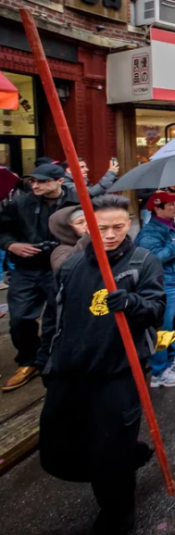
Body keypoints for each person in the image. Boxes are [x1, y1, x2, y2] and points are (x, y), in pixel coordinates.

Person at [37, 194, 165, 535]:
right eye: (101, 227)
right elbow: (54, 318)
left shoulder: (143, 262)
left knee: (109, 460)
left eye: (118, 227)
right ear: (88, 226)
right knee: (56, 452)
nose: (109, 234)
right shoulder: (72, 264)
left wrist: (133, 303)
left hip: (118, 375)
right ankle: (128, 457)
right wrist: (47, 361)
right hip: (70, 372)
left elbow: (157, 309)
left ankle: (115, 526)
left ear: (129, 225)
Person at [0, 163, 79, 392]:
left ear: (60, 181)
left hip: (61, 268)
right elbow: (2, 230)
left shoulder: (77, 201)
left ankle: (54, 358)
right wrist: (11, 245)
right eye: (33, 181)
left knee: (58, 318)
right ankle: (28, 360)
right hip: (26, 268)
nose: (35, 185)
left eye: (43, 181)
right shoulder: (20, 203)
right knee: (20, 318)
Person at [135, 191, 175, 389]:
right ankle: (159, 371)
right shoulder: (149, 233)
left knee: (172, 327)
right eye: (170, 205)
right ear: (157, 209)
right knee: (163, 329)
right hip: (164, 286)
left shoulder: (173, 227)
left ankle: (171, 358)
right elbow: (154, 260)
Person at [48, 207, 88, 273]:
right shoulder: (61, 251)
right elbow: (64, 269)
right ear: (68, 228)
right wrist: (88, 237)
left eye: (90, 220)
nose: (87, 225)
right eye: (80, 222)